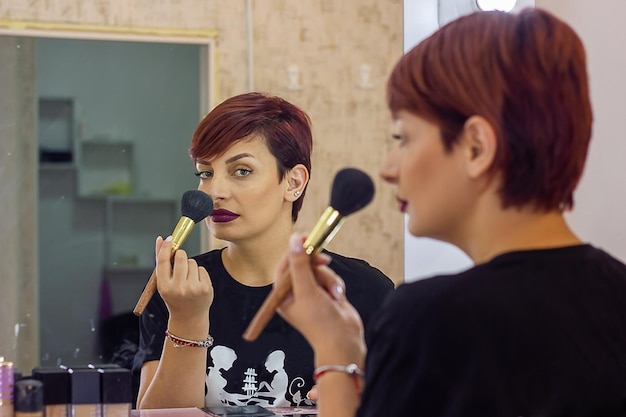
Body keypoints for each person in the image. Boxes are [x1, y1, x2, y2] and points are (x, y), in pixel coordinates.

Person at [274, 8, 626, 417]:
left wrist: (334, 356)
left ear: (476, 147)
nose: (388, 169)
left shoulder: (431, 320)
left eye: (402, 137)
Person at [133, 92, 394, 409]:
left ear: (294, 182)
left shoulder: (364, 292)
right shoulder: (181, 291)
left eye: (241, 171)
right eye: (205, 173)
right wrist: (187, 322)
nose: (216, 192)